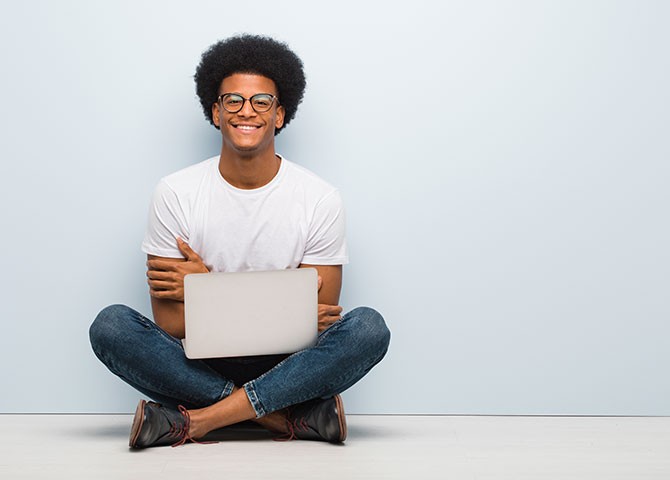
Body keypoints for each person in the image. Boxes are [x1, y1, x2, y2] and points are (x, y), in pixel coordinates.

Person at [89, 34, 390, 449]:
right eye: (233, 100)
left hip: (290, 364)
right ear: (215, 111)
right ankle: (282, 417)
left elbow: (314, 325)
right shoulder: (175, 193)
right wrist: (278, 304)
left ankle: (199, 421)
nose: (246, 111)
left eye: (261, 101)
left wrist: (204, 287)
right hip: (200, 361)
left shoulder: (319, 198)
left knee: (368, 329)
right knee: (111, 326)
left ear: (280, 114)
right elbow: (171, 324)